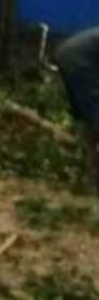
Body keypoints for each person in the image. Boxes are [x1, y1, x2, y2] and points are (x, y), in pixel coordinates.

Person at [54, 25, 99, 203]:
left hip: (68, 56)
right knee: (95, 118)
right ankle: (92, 178)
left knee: (89, 118)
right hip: (79, 63)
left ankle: (89, 175)